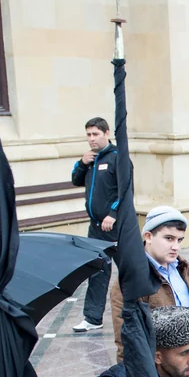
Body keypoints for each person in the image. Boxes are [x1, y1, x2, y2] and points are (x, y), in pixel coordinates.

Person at [109, 206, 189, 377]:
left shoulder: (182, 269)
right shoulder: (132, 280)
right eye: (168, 238)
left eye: (179, 240)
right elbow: (125, 339)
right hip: (162, 375)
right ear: (148, 236)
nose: (175, 247)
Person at [70, 116, 123, 332]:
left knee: (129, 270)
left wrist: (113, 214)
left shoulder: (117, 157)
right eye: (88, 135)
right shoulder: (90, 159)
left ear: (107, 133)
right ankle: (93, 318)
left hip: (115, 227)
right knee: (97, 271)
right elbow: (75, 180)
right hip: (96, 228)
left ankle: (143, 309)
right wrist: (82, 163)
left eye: (95, 134)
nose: (91, 139)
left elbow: (125, 190)